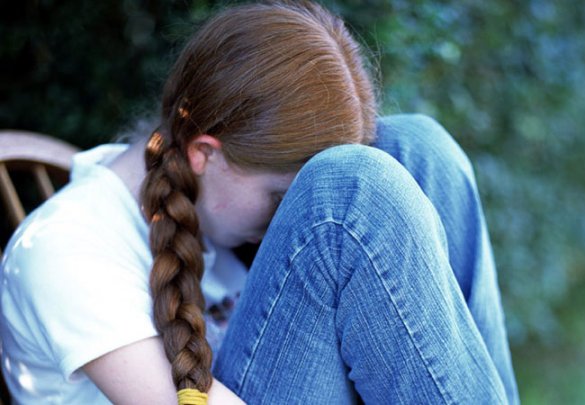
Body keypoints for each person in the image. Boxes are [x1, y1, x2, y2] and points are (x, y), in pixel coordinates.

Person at [0, 1, 518, 404]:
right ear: (204, 153)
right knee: (350, 189)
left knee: (416, 147)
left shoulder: (204, 208)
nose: (285, 218)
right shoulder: (63, 250)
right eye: (282, 198)